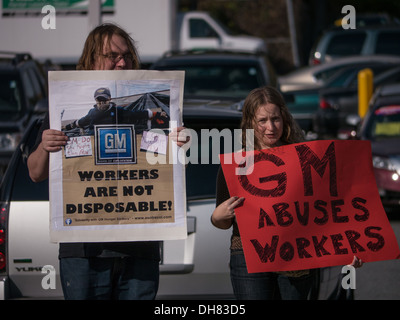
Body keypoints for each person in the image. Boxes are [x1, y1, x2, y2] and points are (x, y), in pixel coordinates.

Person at [27, 23, 188, 300]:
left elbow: (157, 134)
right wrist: (45, 145)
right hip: (84, 252)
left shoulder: (127, 109)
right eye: (112, 56)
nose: (122, 62)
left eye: (126, 55)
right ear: (91, 60)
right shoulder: (66, 105)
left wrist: (179, 142)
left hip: (140, 247)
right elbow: (35, 173)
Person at [211, 86, 363, 300]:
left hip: (297, 255)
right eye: (262, 121)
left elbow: (327, 210)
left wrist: (347, 247)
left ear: (284, 118)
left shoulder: (305, 159)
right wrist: (218, 217)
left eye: (275, 119)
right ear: (250, 123)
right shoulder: (237, 163)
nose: (270, 127)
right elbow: (222, 220)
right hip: (249, 255)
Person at [63, 87, 168, 135]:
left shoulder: (118, 111)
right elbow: (80, 122)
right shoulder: (92, 113)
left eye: (104, 100)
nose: (101, 102)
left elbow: (136, 114)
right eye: (99, 100)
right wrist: (67, 127)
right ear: (95, 100)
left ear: (109, 99)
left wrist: (157, 113)